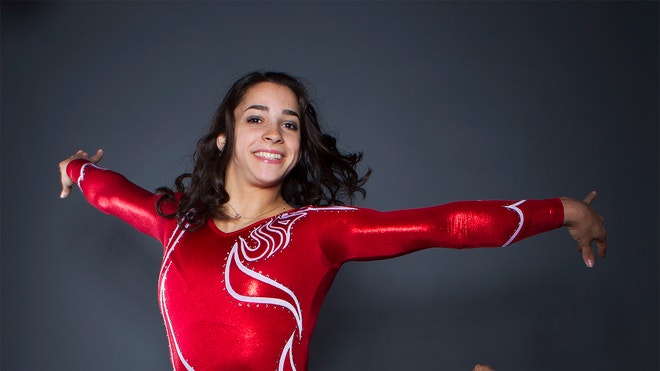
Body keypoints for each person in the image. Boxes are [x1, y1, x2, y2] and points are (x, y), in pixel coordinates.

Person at [59, 71, 607, 371]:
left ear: (300, 144)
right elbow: (108, 191)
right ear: (223, 137)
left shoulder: (318, 232)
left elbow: (440, 225)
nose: (274, 132)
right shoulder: (176, 222)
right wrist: (77, 168)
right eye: (256, 118)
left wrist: (564, 211)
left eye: (289, 123)